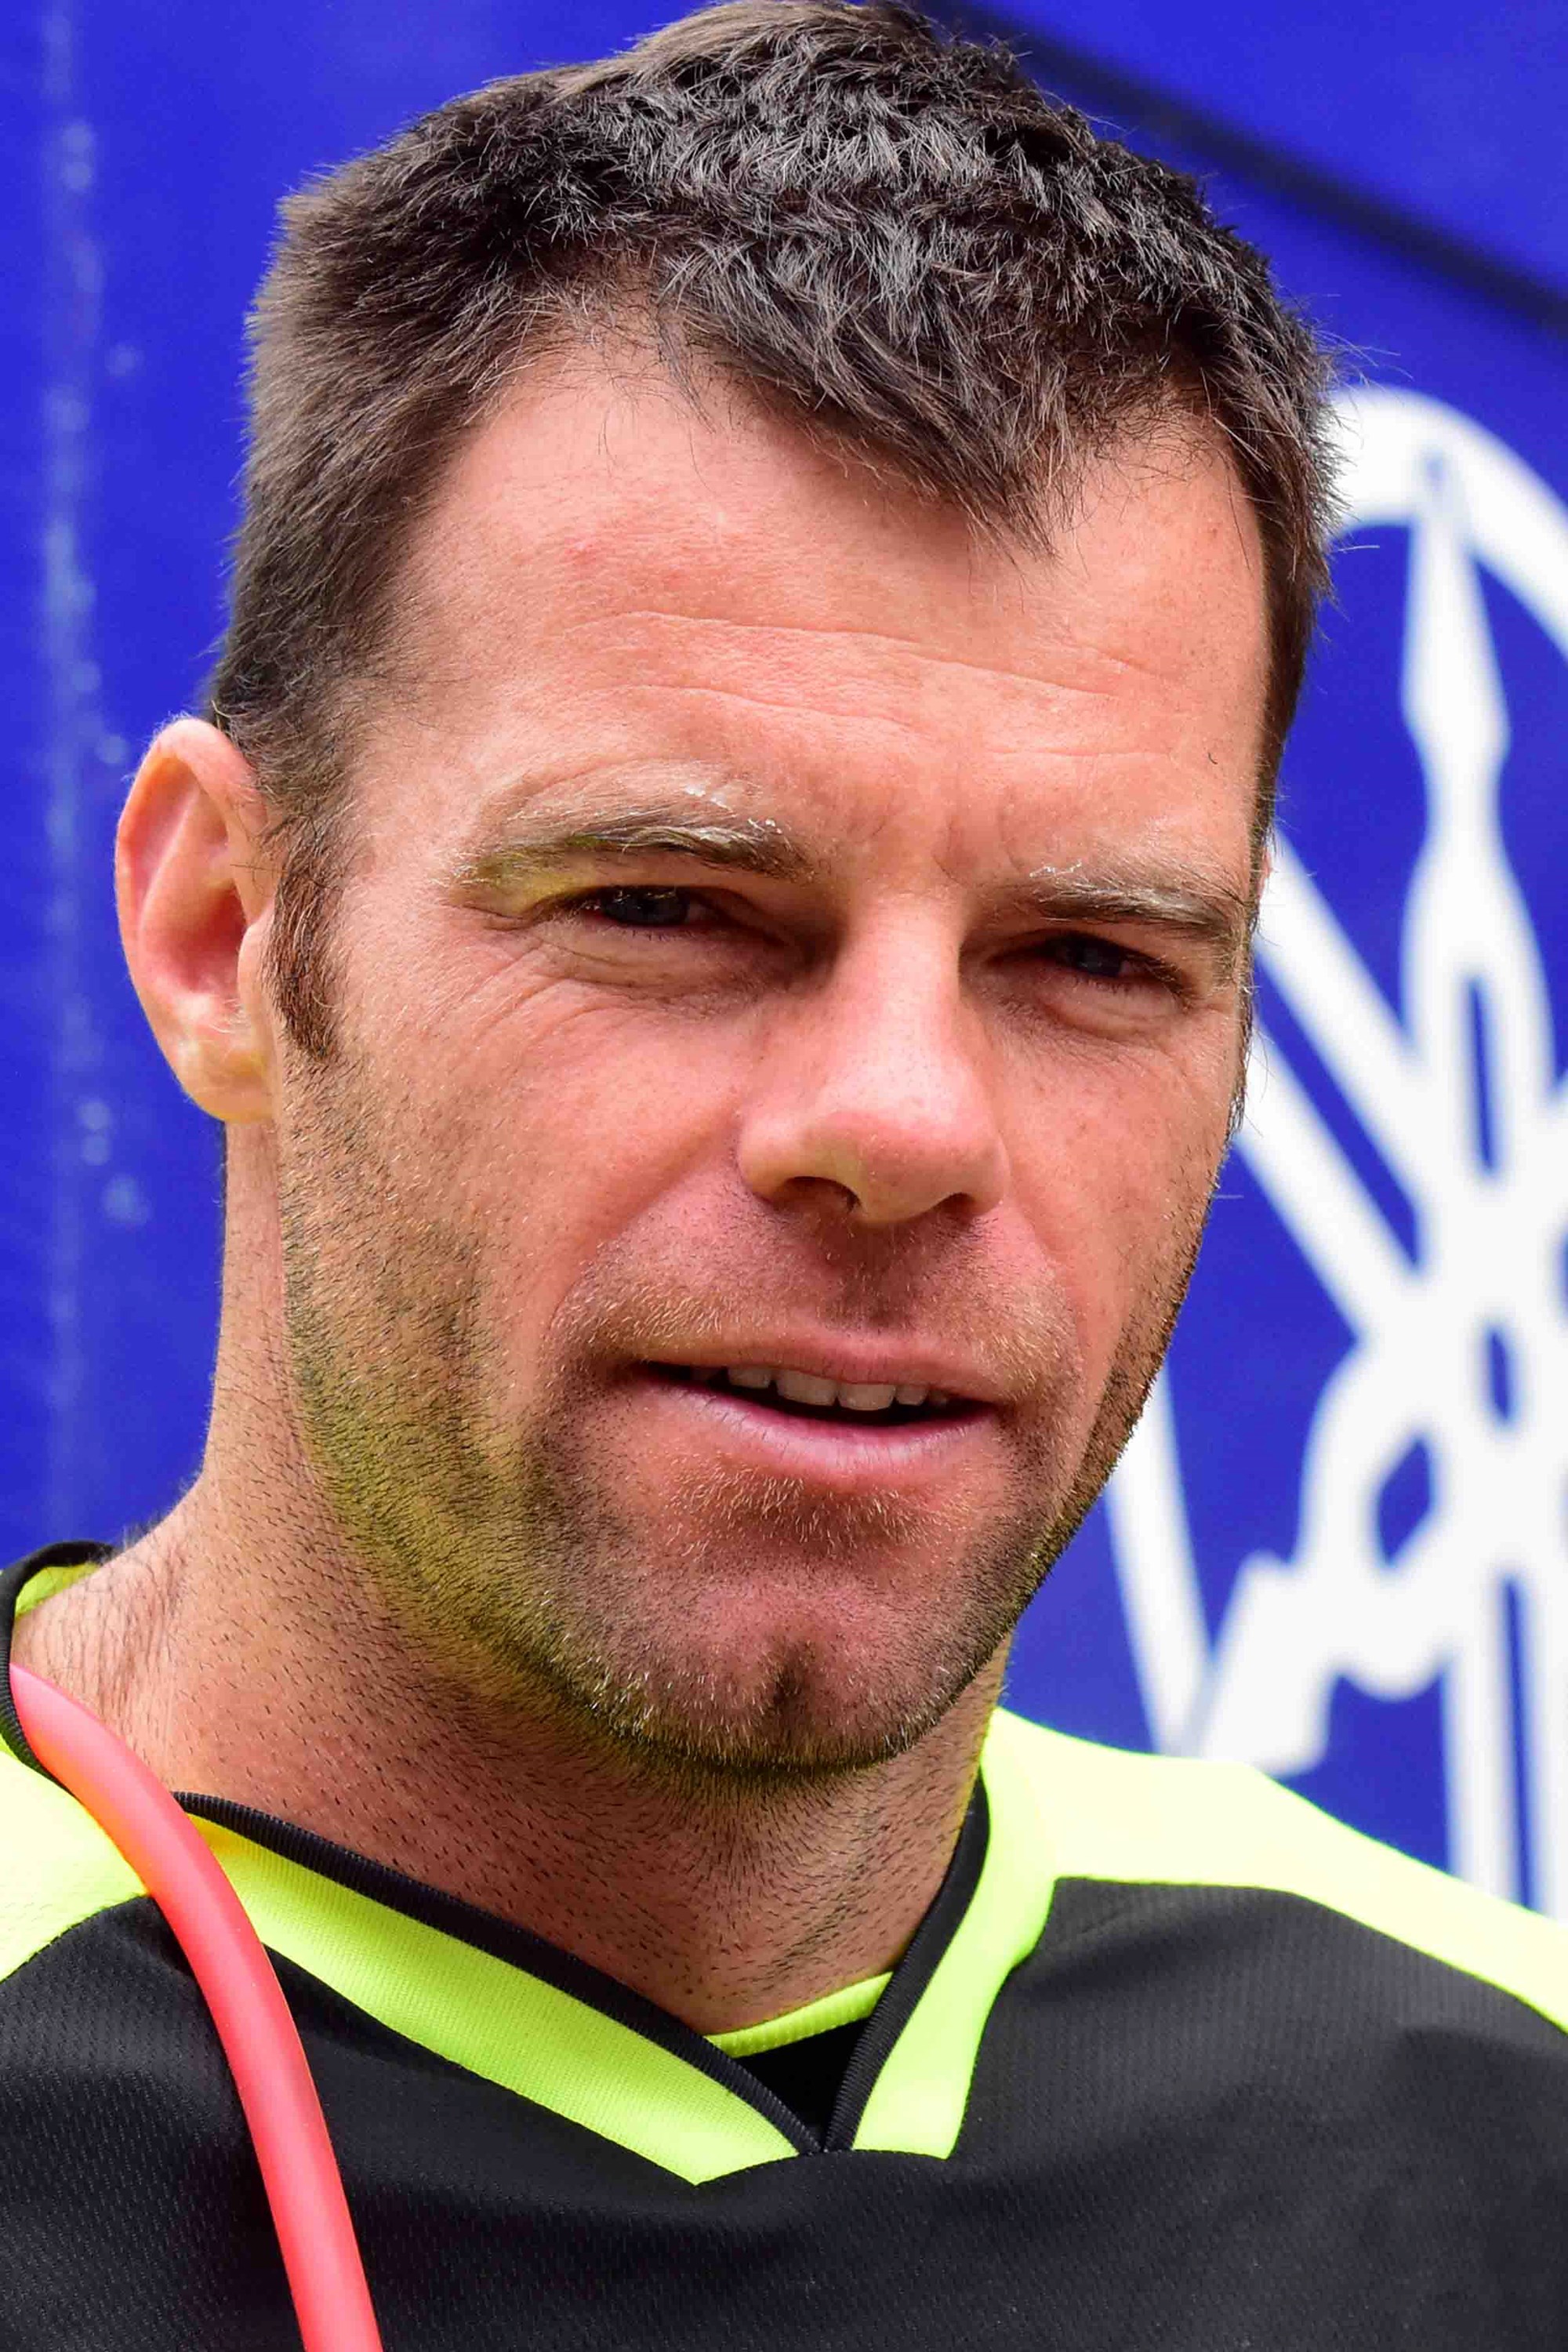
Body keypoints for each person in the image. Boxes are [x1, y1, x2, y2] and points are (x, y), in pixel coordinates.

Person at [3, 4, 1564, 2345]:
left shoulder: (1497, 2114)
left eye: (1092, 957)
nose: (904, 1125)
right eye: (669, 907)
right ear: (227, 932)